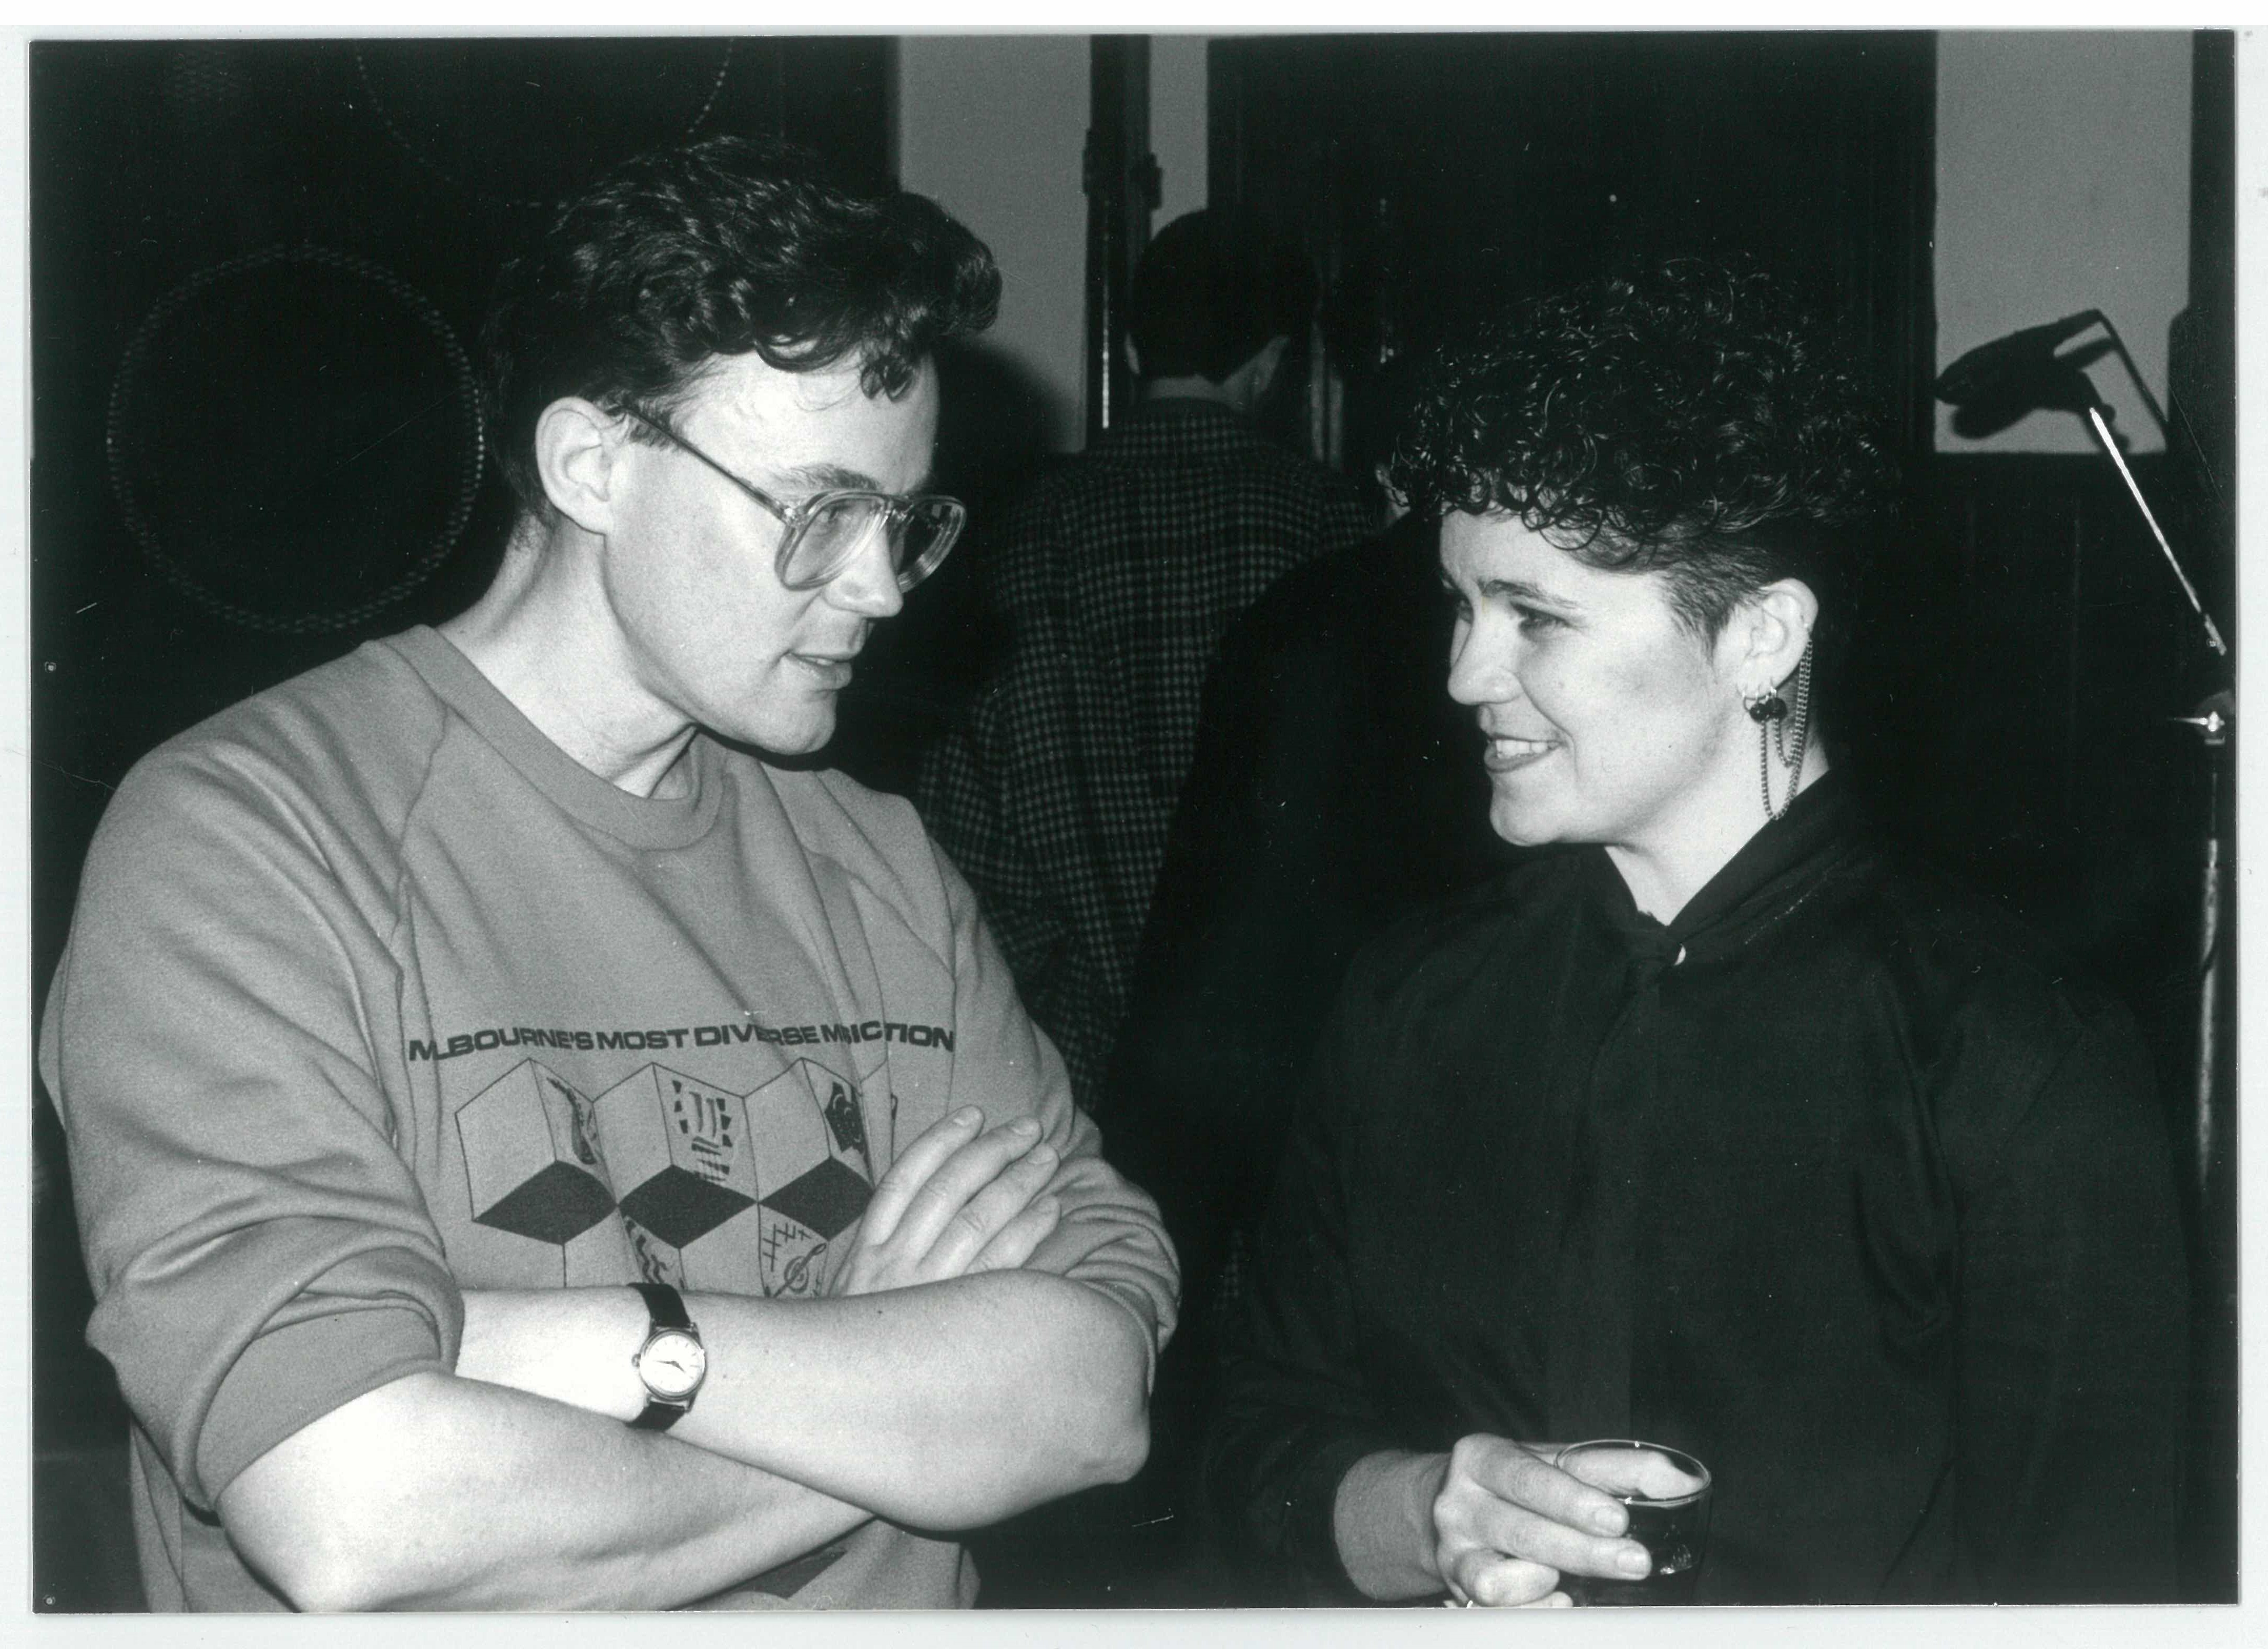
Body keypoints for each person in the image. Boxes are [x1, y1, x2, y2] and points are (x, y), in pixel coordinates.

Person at [40, 137, 1177, 1613]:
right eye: (821, 511)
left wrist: (570, 1348)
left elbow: (1089, 1399)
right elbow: (354, 1513)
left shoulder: (876, 860)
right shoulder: (248, 836)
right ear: (590, 465)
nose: (883, 586)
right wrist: (903, 1401)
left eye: (907, 522)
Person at [1205, 262, 2188, 1606]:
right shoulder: (1408, 997)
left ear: (1761, 639)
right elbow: (1255, 1436)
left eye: (1534, 617)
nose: (1462, 675)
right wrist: (1423, 1508)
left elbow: (2097, 1589)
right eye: (1460, 603)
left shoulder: (2013, 1055)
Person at [918, 208, 1373, 1109]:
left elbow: (960, 813)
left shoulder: (1017, 530)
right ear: (1272, 363)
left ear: (1129, 350)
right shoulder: (1330, 527)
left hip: (1068, 1049)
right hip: (1280, 1051)